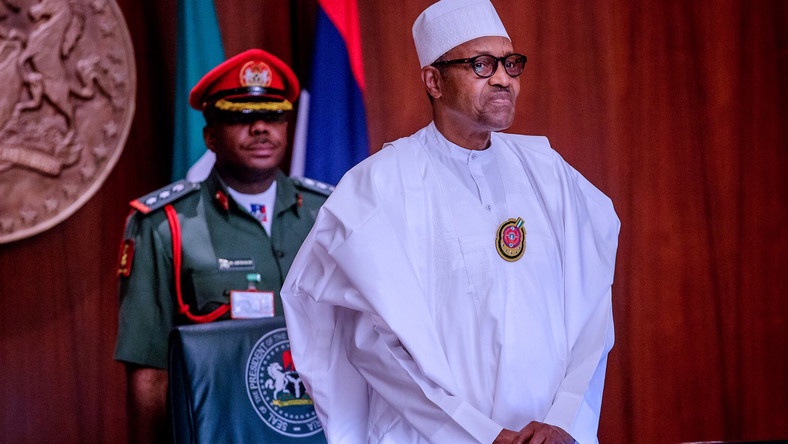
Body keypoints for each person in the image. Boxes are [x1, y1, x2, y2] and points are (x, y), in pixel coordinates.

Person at [280, 1, 620, 443]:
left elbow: (592, 305)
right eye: (481, 64)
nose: (503, 79)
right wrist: (481, 434)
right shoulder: (379, 186)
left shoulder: (549, 174)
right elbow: (374, 346)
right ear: (433, 81)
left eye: (510, 64)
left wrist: (565, 419)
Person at [113, 48, 331, 443]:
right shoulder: (165, 225)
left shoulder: (330, 214)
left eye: (274, 115)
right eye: (242, 117)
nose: (262, 128)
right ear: (210, 137)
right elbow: (148, 372)